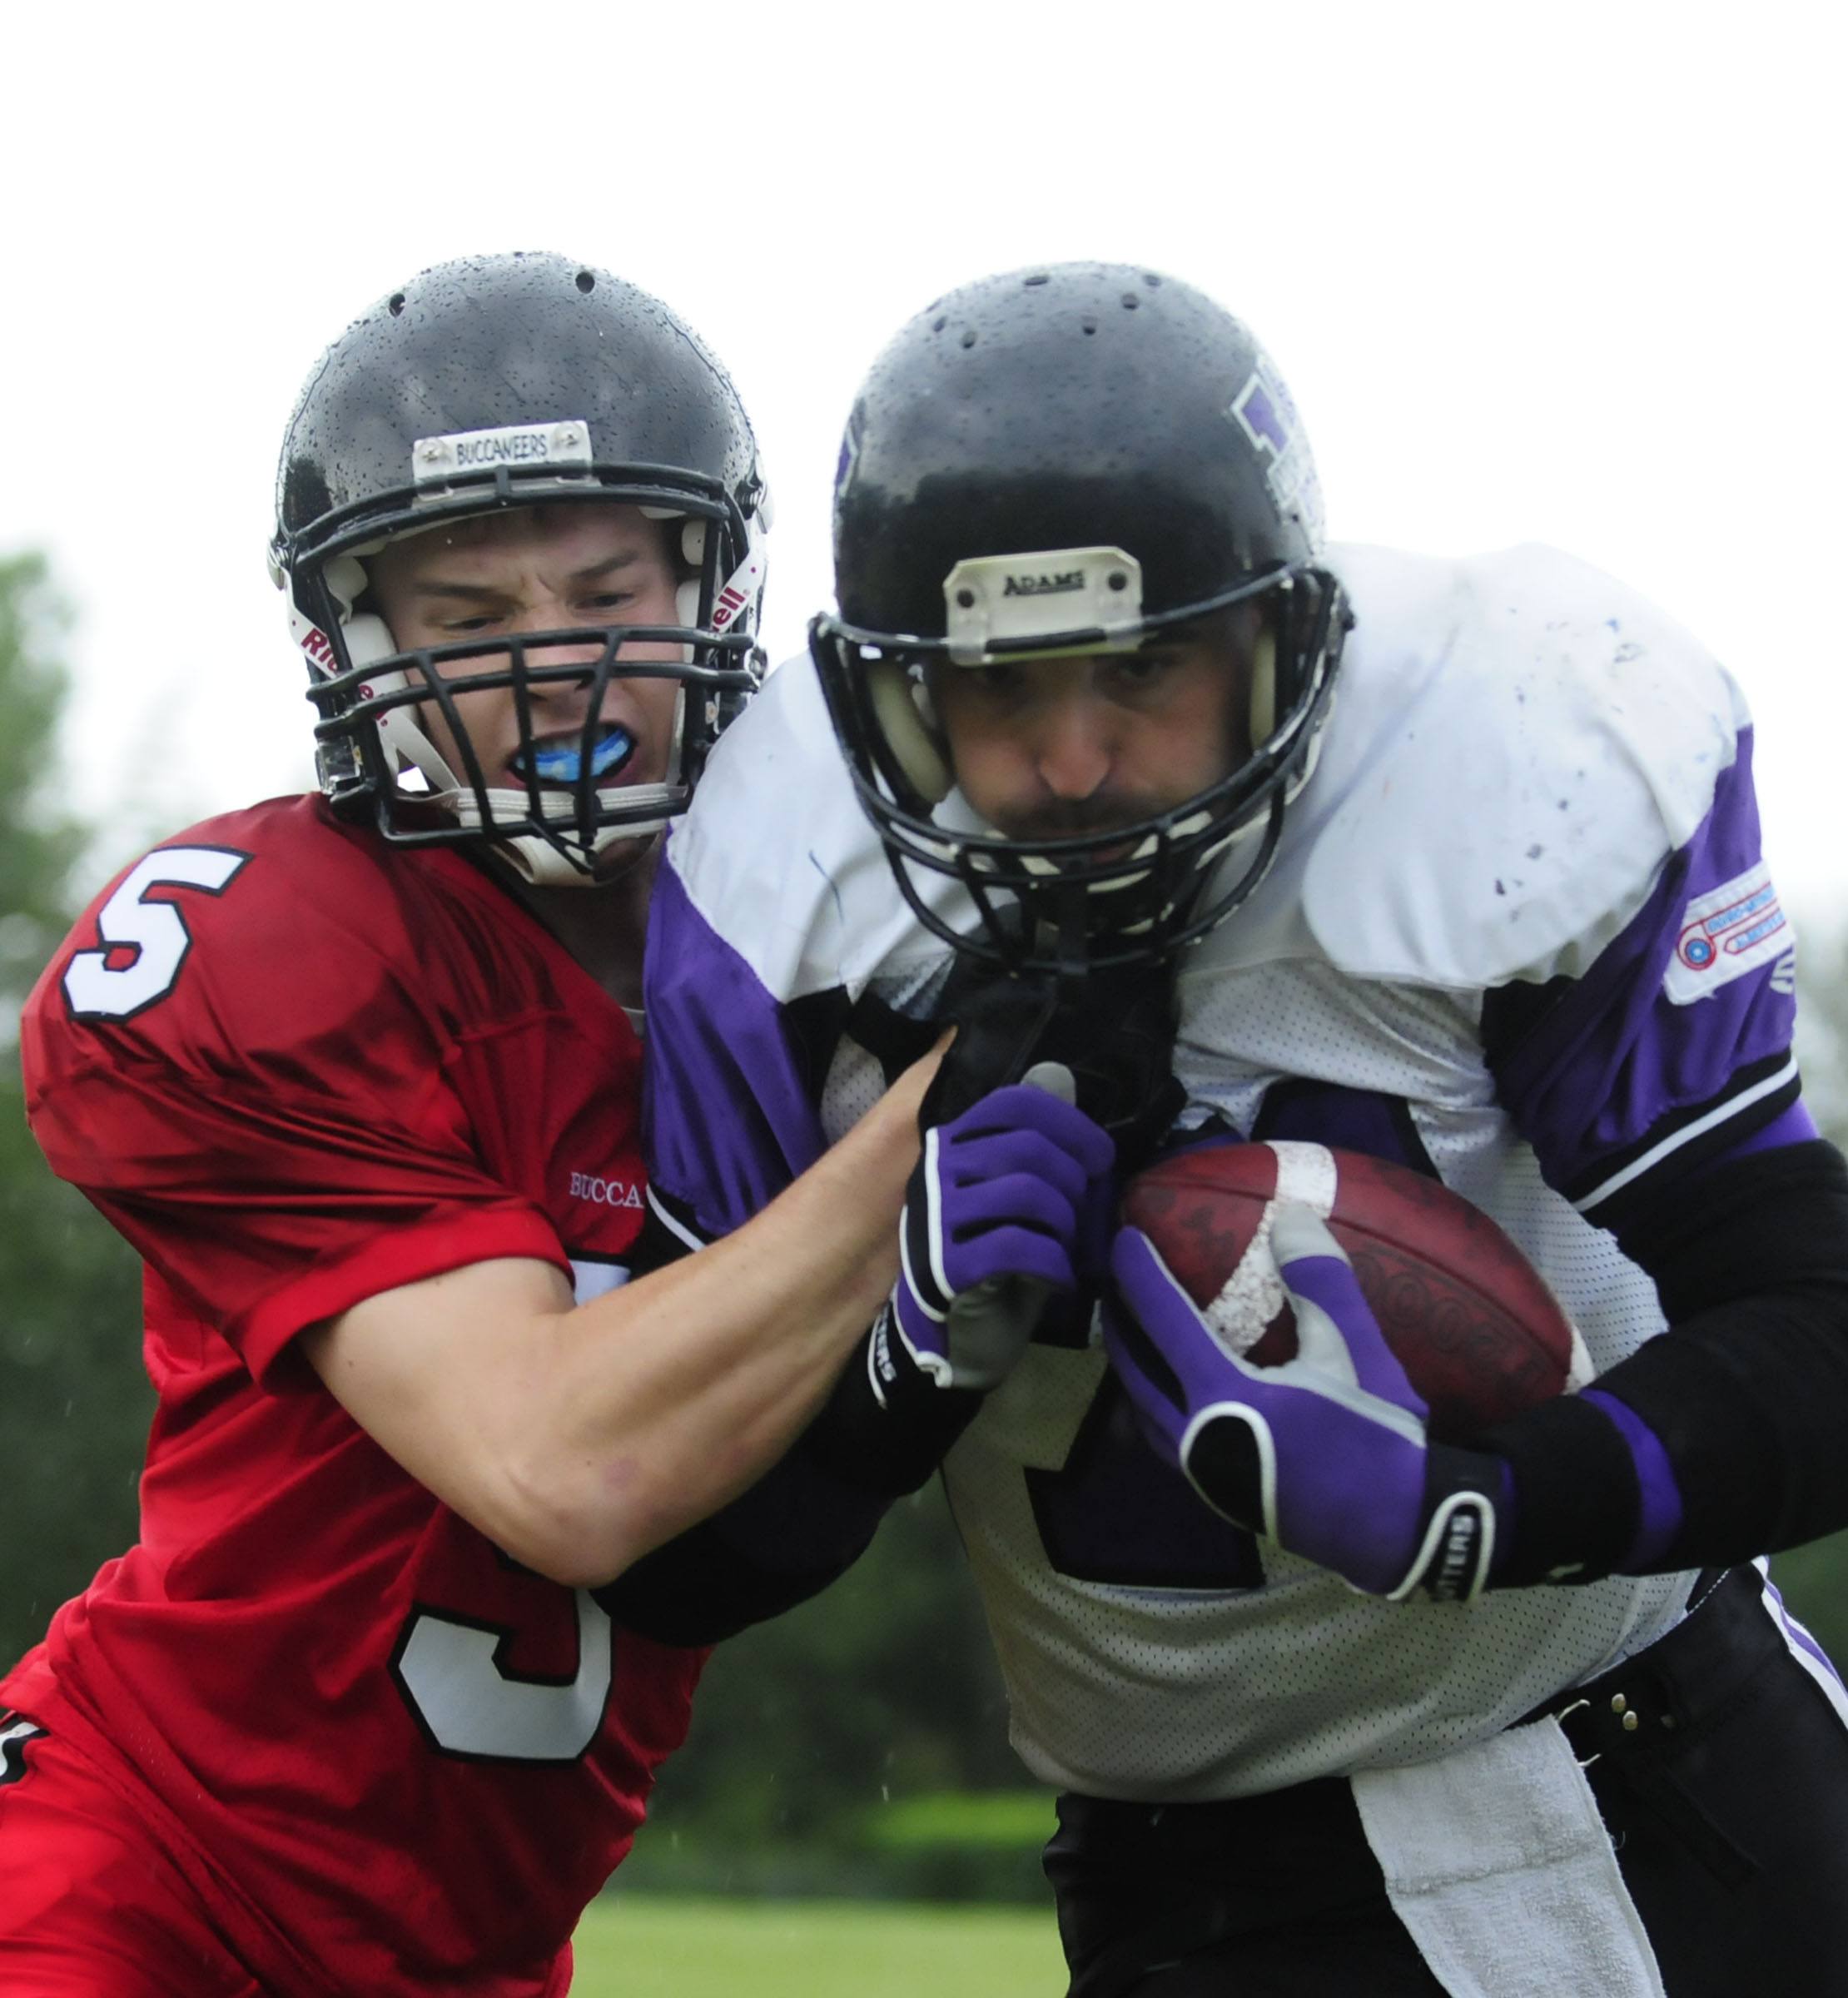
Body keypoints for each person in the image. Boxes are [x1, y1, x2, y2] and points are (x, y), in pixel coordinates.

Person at [641, 262, 1848, 1996]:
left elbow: (1814, 1326)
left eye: (1139, 669)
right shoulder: (777, 901)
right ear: (891, 703)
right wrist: (891, 1375)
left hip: (1639, 1786)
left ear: (1284, 642)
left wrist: (1481, 1508)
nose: (1071, 762)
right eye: (1000, 692)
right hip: (1177, 1886)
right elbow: (667, 1566)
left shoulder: (1506, 757)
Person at [0, 251, 1107, 1998]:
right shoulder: (272, 945)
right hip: (142, 1886)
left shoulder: (824, 948)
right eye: (471, 624)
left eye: (605, 593)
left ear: (714, 589)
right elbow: (564, 1471)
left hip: (487, 1951)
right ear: (352, 645)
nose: (559, 668)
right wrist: (942, 1115)